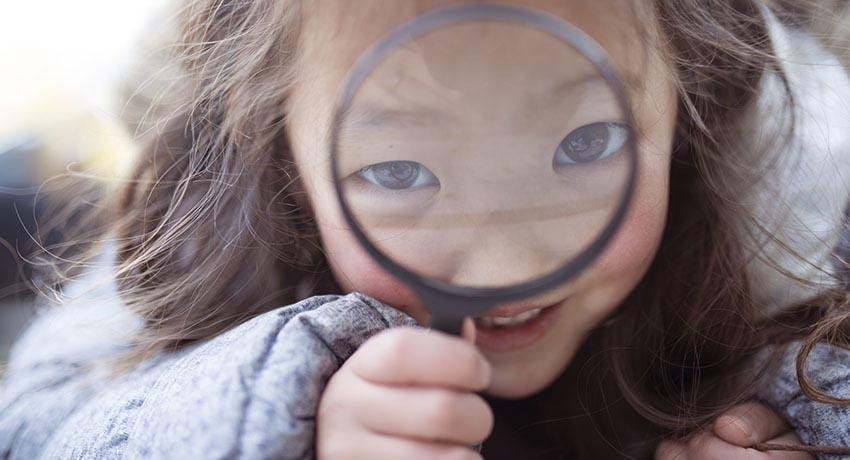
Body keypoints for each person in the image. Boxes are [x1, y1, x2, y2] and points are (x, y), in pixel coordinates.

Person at [2, 1, 850, 459]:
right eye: (402, 171)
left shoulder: (783, 282)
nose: (505, 262)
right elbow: (36, 431)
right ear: (280, 163)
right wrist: (278, 422)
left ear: (692, 111)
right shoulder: (178, 260)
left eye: (585, 143)